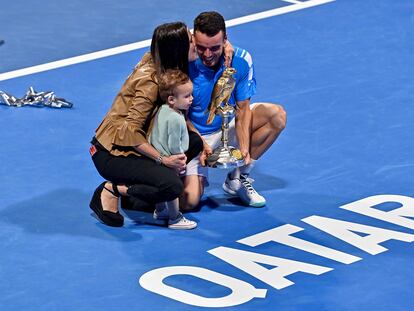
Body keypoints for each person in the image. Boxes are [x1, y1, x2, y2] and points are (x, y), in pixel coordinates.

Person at [89, 22, 204, 227]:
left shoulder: (159, 60)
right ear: (177, 49)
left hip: (133, 144)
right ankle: (112, 189)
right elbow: (129, 131)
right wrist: (163, 160)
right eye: (190, 39)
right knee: (172, 187)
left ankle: (145, 192)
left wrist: (227, 46)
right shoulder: (151, 82)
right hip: (112, 153)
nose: (195, 42)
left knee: (193, 142)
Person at [182, 11, 287, 210]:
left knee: (276, 116)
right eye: (202, 47)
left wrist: (244, 150)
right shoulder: (184, 60)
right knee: (188, 203)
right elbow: (180, 116)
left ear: (225, 40)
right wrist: (200, 144)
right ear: (193, 39)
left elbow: (243, 108)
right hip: (193, 136)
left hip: (225, 126)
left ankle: (238, 178)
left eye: (214, 48)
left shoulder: (241, 59)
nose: (207, 54)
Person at [148, 69, 197, 229]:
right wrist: (179, 158)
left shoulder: (162, 110)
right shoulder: (177, 118)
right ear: (171, 99)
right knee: (173, 188)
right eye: (187, 96)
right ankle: (175, 218)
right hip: (171, 158)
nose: (191, 99)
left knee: (162, 186)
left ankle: (160, 210)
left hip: (156, 156)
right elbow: (174, 143)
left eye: (191, 94)